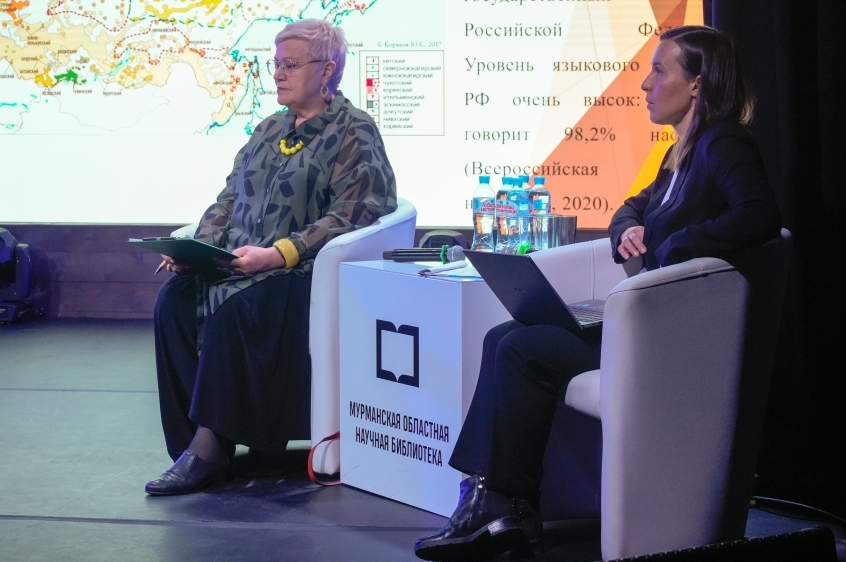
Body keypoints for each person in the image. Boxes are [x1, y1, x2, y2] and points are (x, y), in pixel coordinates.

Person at [413, 25, 781, 561]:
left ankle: (504, 506)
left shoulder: (723, 143)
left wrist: (676, 243)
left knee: (520, 348)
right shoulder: (680, 153)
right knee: (502, 336)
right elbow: (631, 207)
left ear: (697, 84)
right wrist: (628, 229)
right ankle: (495, 497)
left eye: (659, 71)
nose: (646, 85)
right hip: (641, 324)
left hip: (670, 338)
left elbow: (760, 216)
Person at [145, 19, 397, 495]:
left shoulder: (354, 130)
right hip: (241, 262)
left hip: (302, 272)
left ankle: (211, 447)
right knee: (174, 300)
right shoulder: (268, 128)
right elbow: (227, 199)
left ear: (327, 71)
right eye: (275, 65)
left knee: (238, 307)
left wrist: (279, 254)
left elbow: (355, 213)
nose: (278, 74)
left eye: (291, 65)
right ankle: (190, 444)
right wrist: (198, 248)